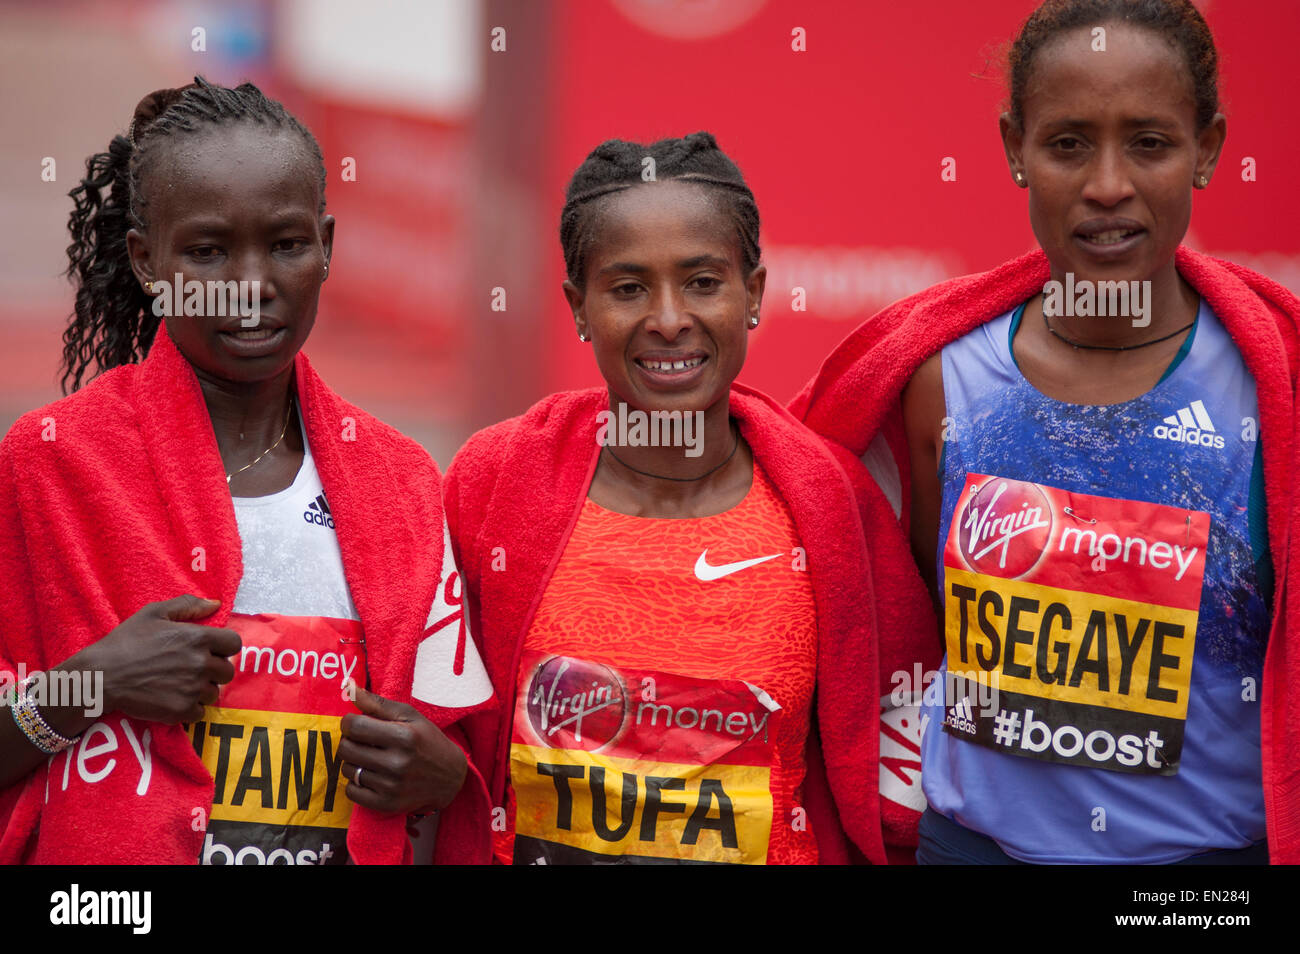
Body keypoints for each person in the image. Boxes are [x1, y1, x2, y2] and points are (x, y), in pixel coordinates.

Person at [793, 0, 1300, 864]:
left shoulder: (1273, 394)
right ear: (1013, 150)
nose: (1108, 184)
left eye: (1150, 142)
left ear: (1209, 148)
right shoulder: (937, 384)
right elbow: (901, 618)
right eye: (1068, 143)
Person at [0, 78, 496, 864]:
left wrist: (443, 777)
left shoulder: (400, 480)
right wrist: (93, 682)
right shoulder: (52, 461)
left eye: (287, 244)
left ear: (327, 245)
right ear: (145, 259)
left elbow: (458, 759)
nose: (253, 285)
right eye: (206, 251)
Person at [445, 133, 888, 865]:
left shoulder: (830, 502)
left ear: (755, 293)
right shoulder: (493, 483)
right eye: (627, 289)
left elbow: (886, 751)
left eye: (704, 282)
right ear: (578, 306)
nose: (670, 318)